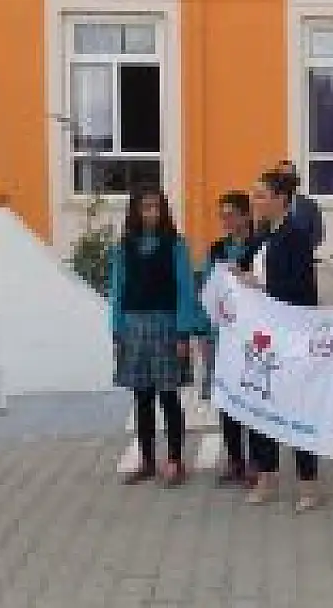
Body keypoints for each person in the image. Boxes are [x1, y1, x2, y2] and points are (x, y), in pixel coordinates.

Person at [234, 170, 323, 511]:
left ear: (281, 199)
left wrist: (261, 286)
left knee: (296, 407)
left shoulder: (296, 236)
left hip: (291, 334)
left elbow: (302, 289)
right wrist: (236, 274)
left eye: (260, 195)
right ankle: (266, 477)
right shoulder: (261, 234)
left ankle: (308, 484)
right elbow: (247, 267)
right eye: (254, 195)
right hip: (262, 333)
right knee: (261, 403)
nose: (255, 201)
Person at [109, 187, 203, 487]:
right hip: (134, 327)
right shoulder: (124, 247)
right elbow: (117, 290)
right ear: (135, 211)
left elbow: (185, 289)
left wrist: (183, 332)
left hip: (166, 326)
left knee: (169, 397)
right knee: (142, 398)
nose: (151, 212)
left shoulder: (175, 245)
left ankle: (175, 460)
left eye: (156, 207)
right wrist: (118, 331)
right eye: (145, 207)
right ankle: (147, 460)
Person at [197, 190, 255, 487]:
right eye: (222, 216)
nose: (226, 221)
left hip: (252, 336)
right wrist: (205, 334)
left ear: (246, 215)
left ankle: (258, 464)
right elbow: (209, 292)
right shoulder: (217, 249)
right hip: (222, 334)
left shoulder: (259, 246)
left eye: (231, 215)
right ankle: (235, 462)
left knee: (253, 397)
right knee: (227, 400)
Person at [274, 159, 325, 250]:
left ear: (296, 179)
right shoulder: (268, 205)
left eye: (289, 177)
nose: (285, 182)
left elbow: (317, 236)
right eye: (282, 177)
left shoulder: (310, 206)